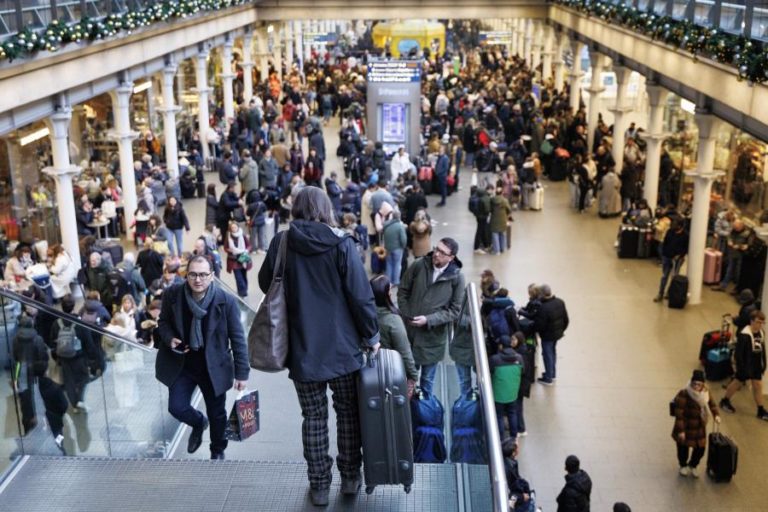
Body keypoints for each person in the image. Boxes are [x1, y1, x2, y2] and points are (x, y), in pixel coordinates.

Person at [257, 187, 380, 507]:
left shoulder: (282, 242)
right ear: (326, 207)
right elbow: (360, 294)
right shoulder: (342, 243)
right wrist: (372, 334)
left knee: (312, 418)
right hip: (343, 348)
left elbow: (264, 283)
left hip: (302, 348)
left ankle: (320, 486)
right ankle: (351, 477)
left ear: (296, 207)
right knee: (348, 415)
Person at [156, 254, 249, 460]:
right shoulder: (173, 295)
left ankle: (217, 450)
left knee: (217, 414)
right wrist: (170, 338)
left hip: (213, 367)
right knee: (176, 407)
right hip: (183, 364)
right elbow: (162, 322)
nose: (198, 280)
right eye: (193, 275)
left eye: (203, 275)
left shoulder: (227, 302)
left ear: (212, 276)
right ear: (186, 275)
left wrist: (242, 373)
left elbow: (238, 338)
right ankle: (198, 422)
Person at [398, 237, 465, 395]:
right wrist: (407, 313)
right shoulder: (419, 265)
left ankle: (424, 414)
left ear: (451, 257)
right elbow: (403, 290)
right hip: (409, 334)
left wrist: (429, 320)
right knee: (405, 381)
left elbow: (455, 310)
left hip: (432, 340)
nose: (436, 254)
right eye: (436, 249)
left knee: (427, 382)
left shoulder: (457, 278)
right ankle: (407, 415)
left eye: (442, 252)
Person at [370, 275, 419, 398]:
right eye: (390, 289)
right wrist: (413, 376)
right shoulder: (392, 321)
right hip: (391, 374)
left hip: (368, 372)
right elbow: (405, 352)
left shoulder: (364, 316)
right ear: (387, 294)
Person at [719, 310, 768, 420]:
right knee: (737, 383)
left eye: (762, 323)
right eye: (758, 322)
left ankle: (760, 410)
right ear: (751, 321)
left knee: (758, 386)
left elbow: (762, 350)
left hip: (756, 364)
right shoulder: (744, 335)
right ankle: (724, 401)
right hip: (745, 364)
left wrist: (764, 363)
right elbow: (738, 354)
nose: (760, 325)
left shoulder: (761, 333)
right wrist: (741, 368)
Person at [672, 370, 721, 477]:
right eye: (694, 384)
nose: (696, 387)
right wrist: (681, 430)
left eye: (699, 384)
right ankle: (683, 465)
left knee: (700, 449)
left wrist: (716, 415)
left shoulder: (706, 393)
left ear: (703, 385)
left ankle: (693, 465)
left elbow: (712, 405)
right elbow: (679, 413)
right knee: (683, 448)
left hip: (699, 427)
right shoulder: (684, 393)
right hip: (686, 426)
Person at [533, 284, 569, 385]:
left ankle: (548, 378)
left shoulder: (543, 308)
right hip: (557, 334)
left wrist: (539, 332)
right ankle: (552, 373)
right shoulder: (560, 302)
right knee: (552, 353)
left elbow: (540, 325)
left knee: (547, 355)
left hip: (547, 336)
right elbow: (566, 320)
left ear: (542, 294)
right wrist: (561, 330)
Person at [490, 334, 524, 440]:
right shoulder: (519, 358)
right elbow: (523, 371)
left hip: (498, 394)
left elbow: (490, 373)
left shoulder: (495, 359)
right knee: (512, 413)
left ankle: (501, 438)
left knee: (499, 416)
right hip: (513, 393)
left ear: (500, 346)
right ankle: (514, 436)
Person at [654, 219, 688, 302]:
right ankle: (660, 294)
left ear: (680, 226)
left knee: (674, 277)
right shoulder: (670, 231)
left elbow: (685, 248)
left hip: (677, 259)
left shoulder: (685, 236)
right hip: (667, 257)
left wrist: (680, 255)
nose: (673, 226)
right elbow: (665, 243)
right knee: (664, 276)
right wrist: (664, 254)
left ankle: (669, 293)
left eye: (675, 224)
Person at [502, 438, 537, 512]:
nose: (519, 448)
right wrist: (521, 497)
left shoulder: (510, 462)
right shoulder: (507, 470)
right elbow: (506, 494)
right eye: (517, 447)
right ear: (513, 453)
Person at [224, 220, 252, 298]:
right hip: (234, 260)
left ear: (238, 227)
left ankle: (244, 291)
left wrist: (246, 250)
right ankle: (242, 293)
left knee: (243, 276)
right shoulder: (228, 236)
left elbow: (249, 245)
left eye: (235, 227)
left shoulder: (242, 235)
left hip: (243, 257)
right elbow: (225, 248)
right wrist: (230, 250)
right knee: (238, 278)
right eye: (232, 227)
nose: (234, 229)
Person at [382, 210, 407, 287]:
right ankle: (395, 281)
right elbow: (403, 239)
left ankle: (388, 281)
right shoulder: (400, 226)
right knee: (397, 264)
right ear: (399, 216)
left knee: (389, 264)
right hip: (397, 248)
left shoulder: (386, 224)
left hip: (387, 248)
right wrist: (403, 246)